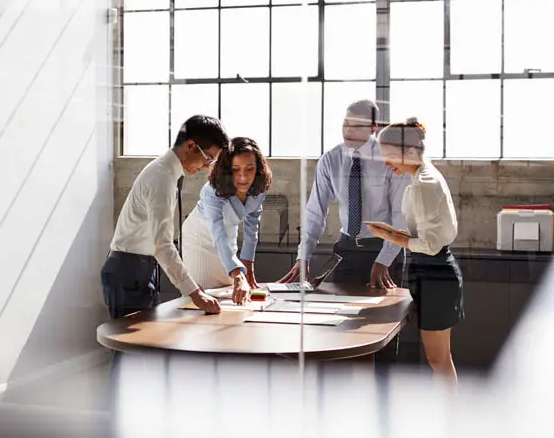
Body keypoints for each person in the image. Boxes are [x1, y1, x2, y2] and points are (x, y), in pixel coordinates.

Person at [101, 115, 230, 320]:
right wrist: (195, 293)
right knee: (132, 347)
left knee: (144, 344)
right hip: (128, 270)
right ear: (190, 146)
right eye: (209, 158)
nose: (207, 166)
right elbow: (162, 244)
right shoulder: (162, 177)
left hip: (139, 267)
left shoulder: (166, 172)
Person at [366, 117, 463, 384]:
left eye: (388, 156)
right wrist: (391, 232)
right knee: (439, 358)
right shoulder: (421, 176)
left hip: (436, 273)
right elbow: (424, 235)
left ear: (408, 152)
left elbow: (430, 245)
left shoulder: (424, 183)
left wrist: (389, 235)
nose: (386, 164)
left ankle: (449, 421)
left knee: (438, 358)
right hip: (429, 270)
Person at [278, 99, 410, 289]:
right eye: (346, 124)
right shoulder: (331, 159)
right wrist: (303, 256)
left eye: (357, 126)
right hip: (347, 248)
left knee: (382, 315)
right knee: (341, 310)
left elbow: (401, 214)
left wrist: (385, 260)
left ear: (373, 128)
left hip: (384, 247)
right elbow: (315, 211)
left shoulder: (390, 159)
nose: (348, 130)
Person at [182, 137, 272, 305]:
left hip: (228, 236)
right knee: (205, 299)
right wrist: (238, 273)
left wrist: (247, 263)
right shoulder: (212, 190)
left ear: (258, 169)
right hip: (201, 238)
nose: (243, 177)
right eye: (235, 170)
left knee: (232, 296)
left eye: (250, 169)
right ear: (226, 170)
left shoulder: (259, 187)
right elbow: (218, 234)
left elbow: (252, 223)